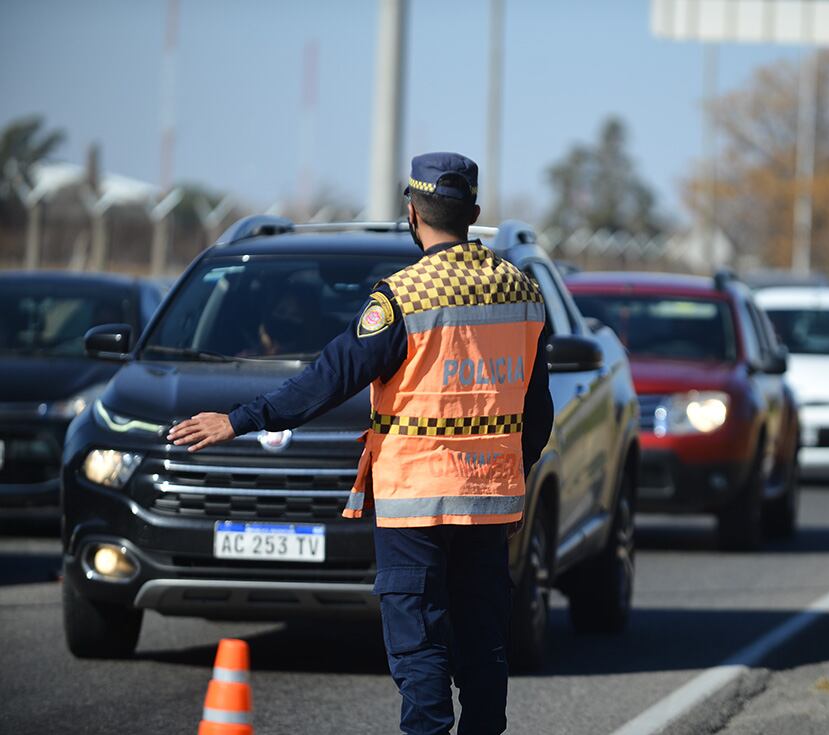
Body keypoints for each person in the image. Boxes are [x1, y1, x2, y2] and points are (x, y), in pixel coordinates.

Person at [167, 152, 554, 735]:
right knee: (483, 643)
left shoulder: (404, 296)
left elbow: (329, 378)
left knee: (419, 641)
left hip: (415, 500)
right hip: (488, 499)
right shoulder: (522, 290)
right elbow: (538, 410)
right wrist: (511, 467)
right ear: (473, 213)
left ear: (411, 215)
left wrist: (241, 419)